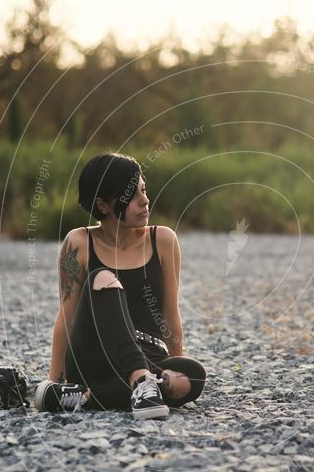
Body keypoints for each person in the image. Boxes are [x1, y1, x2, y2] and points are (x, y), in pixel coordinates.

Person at [34, 153, 207, 420]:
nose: (145, 201)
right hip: (96, 355)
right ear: (103, 205)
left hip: (149, 353)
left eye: (144, 190)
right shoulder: (79, 242)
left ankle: (86, 397)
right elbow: (66, 319)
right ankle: (140, 384)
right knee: (102, 278)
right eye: (133, 196)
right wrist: (54, 380)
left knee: (191, 376)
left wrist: (174, 365)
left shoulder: (162, 240)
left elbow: (170, 316)